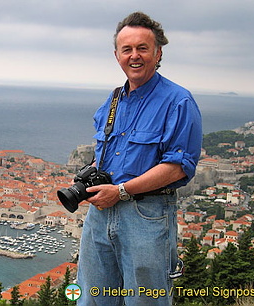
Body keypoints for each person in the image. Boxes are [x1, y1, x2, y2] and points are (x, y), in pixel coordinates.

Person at [76, 11, 202, 305]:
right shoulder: (114, 99)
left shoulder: (178, 101)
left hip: (147, 214)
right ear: (117, 55)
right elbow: (103, 154)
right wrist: (91, 177)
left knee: (146, 299)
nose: (135, 56)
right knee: (92, 297)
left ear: (158, 53)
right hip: (101, 213)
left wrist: (120, 191)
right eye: (127, 49)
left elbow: (176, 168)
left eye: (142, 48)